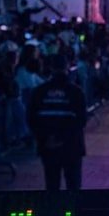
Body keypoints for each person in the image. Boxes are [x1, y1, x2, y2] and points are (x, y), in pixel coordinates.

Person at [26, 54, 87, 191]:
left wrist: (46, 138)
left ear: (50, 68)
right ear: (67, 67)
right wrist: (63, 138)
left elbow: (31, 119)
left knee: (52, 185)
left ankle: (54, 205)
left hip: (48, 146)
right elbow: (81, 120)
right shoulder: (76, 92)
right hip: (72, 147)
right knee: (73, 185)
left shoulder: (39, 92)